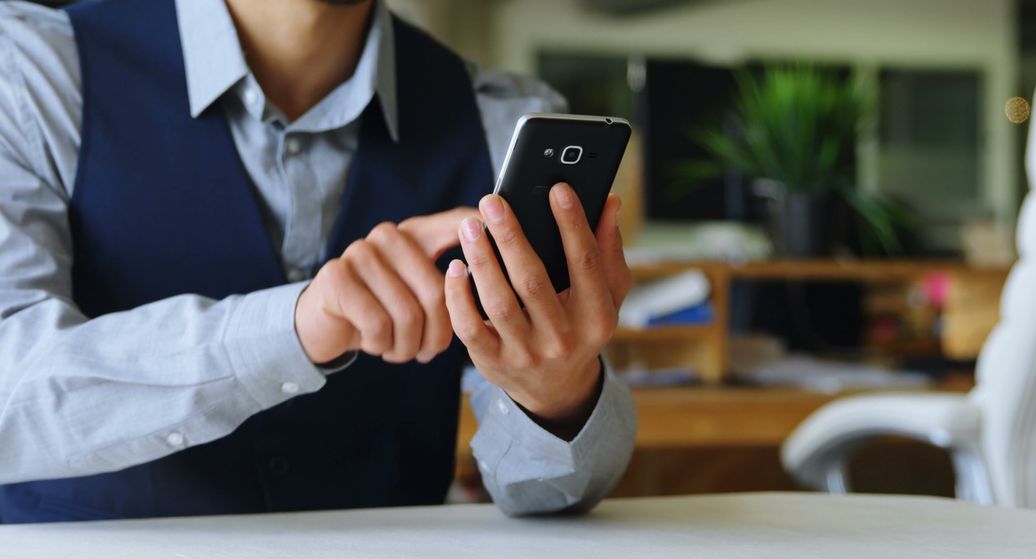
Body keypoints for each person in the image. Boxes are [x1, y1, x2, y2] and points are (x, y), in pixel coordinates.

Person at [0, 0, 636, 523]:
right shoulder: (33, 76)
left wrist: (556, 400)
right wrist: (296, 328)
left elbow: (545, 497)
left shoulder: (501, 123)